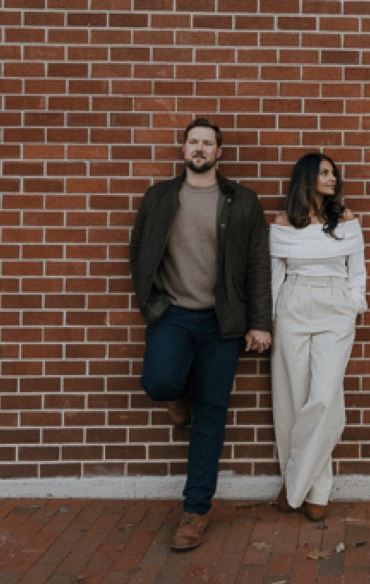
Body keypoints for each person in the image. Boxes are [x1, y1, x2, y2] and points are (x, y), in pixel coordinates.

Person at [129, 117, 273, 551]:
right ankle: (177, 396)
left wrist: (259, 322)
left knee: (211, 413)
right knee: (160, 382)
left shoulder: (242, 201)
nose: (199, 149)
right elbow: (138, 250)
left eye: (207, 143)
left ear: (219, 152)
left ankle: (195, 511)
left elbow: (257, 265)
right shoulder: (159, 196)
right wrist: (149, 299)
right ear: (183, 149)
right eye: (193, 142)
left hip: (221, 324)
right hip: (172, 314)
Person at [270, 152, 367, 522]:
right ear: (307, 178)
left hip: (334, 304)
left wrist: (352, 303)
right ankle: (316, 490)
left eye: (333, 174)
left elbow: (356, 270)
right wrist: (274, 319)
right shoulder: (283, 222)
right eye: (324, 173)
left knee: (324, 398)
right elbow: (274, 276)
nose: (332, 179)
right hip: (293, 304)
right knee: (294, 399)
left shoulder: (345, 219)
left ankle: (294, 482)